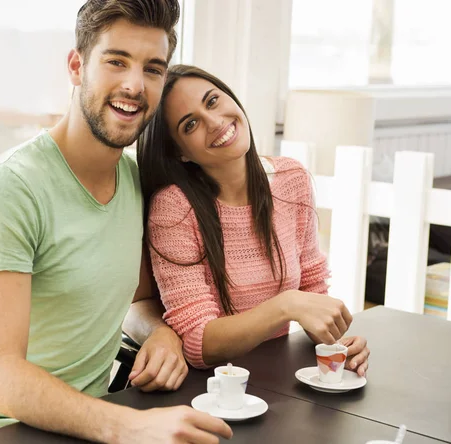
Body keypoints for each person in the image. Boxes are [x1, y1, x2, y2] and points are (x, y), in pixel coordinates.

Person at [0, 4, 233, 443]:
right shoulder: (9, 190)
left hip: (80, 422)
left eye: (152, 69)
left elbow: (138, 300)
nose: (134, 84)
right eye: (116, 61)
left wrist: (161, 332)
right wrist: (128, 427)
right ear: (76, 66)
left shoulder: (134, 181)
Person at [137, 64, 370, 373]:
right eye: (191, 124)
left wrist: (339, 345)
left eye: (212, 101)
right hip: (212, 390)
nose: (215, 122)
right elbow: (198, 342)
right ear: (181, 152)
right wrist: (286, 305)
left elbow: (313, 288)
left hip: (278, 379)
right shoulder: (174, 209)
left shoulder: (292, 178)